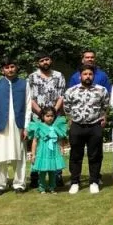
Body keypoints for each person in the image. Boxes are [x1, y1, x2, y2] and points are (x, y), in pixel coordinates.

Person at [63, 65, 109, 194]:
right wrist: (72, 118)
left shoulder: (101, 90)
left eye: (90, 74)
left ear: (93, 76)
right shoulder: (71, 91)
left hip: (95, 126)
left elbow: (105, 106)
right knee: (75, 156)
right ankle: (75, 182)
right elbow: (67, 107)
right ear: (80, 76)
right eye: (85, 74)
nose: (87, 76)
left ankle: (94, 181)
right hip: (77, 126)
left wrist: (102, 118)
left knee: (95, 155)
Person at [0, 60, 31, 195]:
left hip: (18, 126)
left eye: (12, 67)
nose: (10, 69)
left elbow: (28, 106)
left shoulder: (24, 84)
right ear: (3, 70)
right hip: (1, 126)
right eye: (7, 67)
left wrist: (26, 127)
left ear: (16, 68)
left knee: (20, 155)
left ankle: (19, 184)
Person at [27, 53, 66, 188]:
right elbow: (30, 98)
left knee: (54, 144)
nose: (45, 62)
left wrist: (53, 113)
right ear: (38, 63)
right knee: (38, 145)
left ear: (51, 60)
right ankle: (35, 174)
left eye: (47, 59)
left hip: (55, 117)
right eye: (42, 60)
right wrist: (41, 113)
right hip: (38, 117)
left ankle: (57, 174)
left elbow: (62, 96)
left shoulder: (59, 76)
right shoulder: (32, 77)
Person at [28, 106, 68, 194]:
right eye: (47, 116)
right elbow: (34, 141)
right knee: (42, 171)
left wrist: (61, 148)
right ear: (43, 116)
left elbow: (59, 139)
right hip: (43, 152)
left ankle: (52, 187)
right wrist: (33, 154)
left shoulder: (56, 127)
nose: (50, 118)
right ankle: (42, 188)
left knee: (53, 171)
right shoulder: (39, 127)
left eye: (52, 116)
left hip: (53, 152)